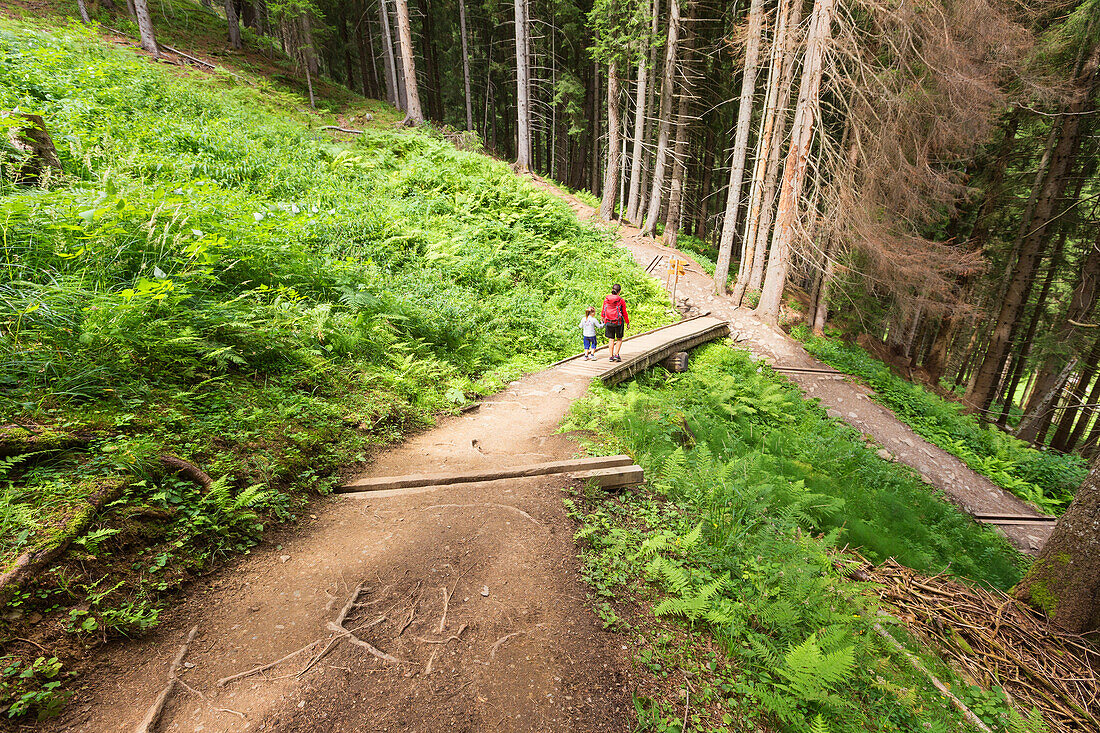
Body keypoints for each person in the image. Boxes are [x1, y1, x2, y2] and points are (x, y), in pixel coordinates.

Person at [601, 284, 629, 362]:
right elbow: (624, 312)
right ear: (619, 291)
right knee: (619, 338)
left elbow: (603, 310)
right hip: (618, 322)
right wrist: (627, 322)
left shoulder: (606, 299)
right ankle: (616, 354)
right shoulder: (621, 300)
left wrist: (602, 318)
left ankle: (610, 356)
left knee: (611, 338)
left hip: (608, 321)